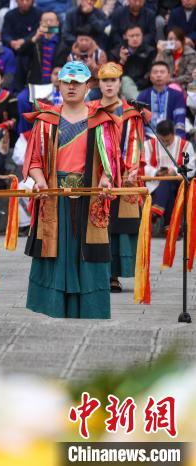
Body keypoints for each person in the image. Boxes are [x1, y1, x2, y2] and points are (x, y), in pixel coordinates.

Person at [23, 61, 122, 319]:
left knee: (89, 255)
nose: (71, 87)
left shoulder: (101, 119)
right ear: (59, 85)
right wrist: (40, 181)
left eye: (77, 83)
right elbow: (34, 161)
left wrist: (106, 179)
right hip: (55, 197)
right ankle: (55, 307)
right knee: (57, 253)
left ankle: (90, 308)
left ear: (88, 87)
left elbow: (110, 160)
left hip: (90, 196)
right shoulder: (46, 120)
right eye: (67, 82)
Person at [95, 63, 146, 293]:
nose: (108, 84)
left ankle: (113, 275)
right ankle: (97, 273)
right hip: (97, 174)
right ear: (99, 83)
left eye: (113, 80)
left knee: (117, 226)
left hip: (123, 175)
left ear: (119, 83)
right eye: (104, 80)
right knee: (97, 224)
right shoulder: (91, 110)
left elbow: (134, 143)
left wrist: (131, 169)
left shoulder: (130, 112)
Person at [144, 119, 196, 234]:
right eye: (162, 140)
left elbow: (191, 167)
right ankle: (171, 229)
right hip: (155, 184)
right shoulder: (149, 145)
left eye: (167, 140)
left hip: (178, 184)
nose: (165, 143)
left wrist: (176, 171)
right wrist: (156, 172)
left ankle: (157, 210)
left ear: (173, 134)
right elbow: (142, 165)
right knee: (168, 189)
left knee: (168, 181)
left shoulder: (185, 146)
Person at [137, 62, 188, 139]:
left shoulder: (177, 95)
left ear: (168, 76)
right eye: (155, 72)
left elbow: (180, 119)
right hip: (149, 137)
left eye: (162, 72)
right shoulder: (143, 96)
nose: (159, 75)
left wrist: (178, 139)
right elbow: (139, 120)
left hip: (171, 137)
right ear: (150, 77)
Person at [17, 11, 68, 85]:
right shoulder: (35, 40)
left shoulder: (63, 42)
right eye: (45, 20)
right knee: (21, 97)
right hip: (36, 83)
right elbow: (21, 52)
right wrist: (34, 38)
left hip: (57, 83)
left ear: (57, 23)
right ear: (40, 23)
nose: (48, 23)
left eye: (51, 20)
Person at [109, 24, 155, 98]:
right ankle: (138, 104)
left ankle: (137, 103)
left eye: (138, 35)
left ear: (142, 36)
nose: (135, 38)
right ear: (125, 37)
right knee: (125, 80)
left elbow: (150, 73)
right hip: (123, 88)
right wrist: (122, 61)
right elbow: (112, 76)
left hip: (145, 87)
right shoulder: (115, 53)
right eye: (131, 36)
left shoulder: (150, 51)